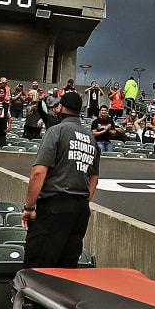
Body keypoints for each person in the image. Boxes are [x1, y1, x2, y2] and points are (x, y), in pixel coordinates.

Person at [21, 91, 99, 270]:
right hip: (80, 209)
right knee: (66, 269)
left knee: (39, 268)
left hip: (54, 206)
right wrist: (80, 202)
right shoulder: (91, 139)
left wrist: (29, 208)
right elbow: (94, 178)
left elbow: (38, 173)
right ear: (80, 110)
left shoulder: (56, 131)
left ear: (61, 108)